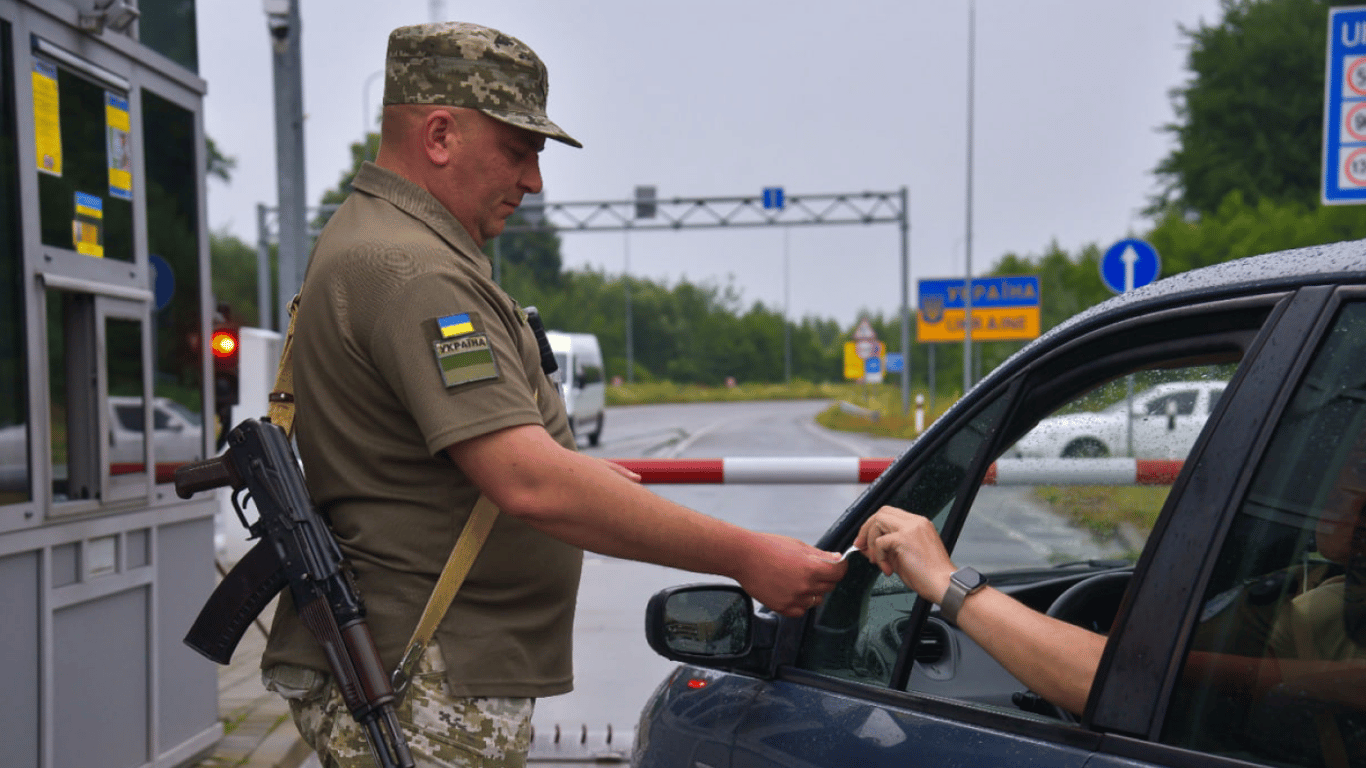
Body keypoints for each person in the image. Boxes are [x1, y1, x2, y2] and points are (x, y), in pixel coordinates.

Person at [258, 21, 846, 768]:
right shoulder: (416, 271)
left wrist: (570, 471)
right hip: (429, 678)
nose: (533, 180)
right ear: (440, 135)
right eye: (519, 149)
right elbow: (527, 482)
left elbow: (449, 460)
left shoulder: (371, 237)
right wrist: (747, 556)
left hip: (416, 662)